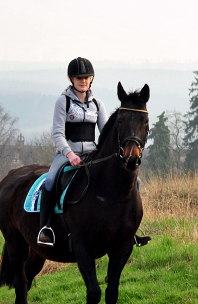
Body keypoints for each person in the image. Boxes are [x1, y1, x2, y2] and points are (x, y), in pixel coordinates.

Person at [37, 57, 150, 247]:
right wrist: (69, 154)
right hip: (68, 154)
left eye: (86, 77)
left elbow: (107, 133)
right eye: (79, 78)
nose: (83, 81)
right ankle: (45, 228)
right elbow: (57, 134)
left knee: (135, 180)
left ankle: (129, 229)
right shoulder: (63, 102)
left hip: (92, 154)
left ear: (91, 79)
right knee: (50, 180)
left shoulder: (97, 104)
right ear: (71, 79)